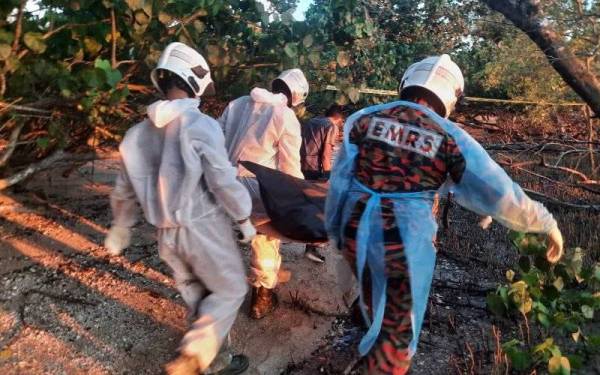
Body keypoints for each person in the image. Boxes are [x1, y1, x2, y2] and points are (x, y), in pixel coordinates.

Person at [325, 54, 564, 375]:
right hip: (403, 243)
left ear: (407, 82)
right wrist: (544, 221)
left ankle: (371, 330)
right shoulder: (450, 136)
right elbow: (497, 191)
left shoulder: (364, 118)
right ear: (451, 95)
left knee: (372, 290)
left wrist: (335, 231)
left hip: (357, 229)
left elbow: (340, 181)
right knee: (398, 331)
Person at [103, 42, 256, 375]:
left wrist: (121, 226)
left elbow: (124, 188)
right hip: (201, 227)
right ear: (195, 79)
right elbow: (221, 179)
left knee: (199, 296)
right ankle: (192, 358)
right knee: (230, 290)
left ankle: (215, 359)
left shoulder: (134, 134)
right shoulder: (199, 125)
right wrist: (243, 216)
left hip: (165, 235)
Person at [219, 69, 309, 319]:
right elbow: (289, 167)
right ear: (297, 96)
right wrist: (300, 199)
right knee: (266, 240)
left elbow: (216, 138)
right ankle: (262, 297)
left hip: (225, 183)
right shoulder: (285, 116)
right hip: (256, 187)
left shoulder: (237, 103)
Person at [300, 104, 344, 263]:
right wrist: (327, 174)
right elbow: (326, 153)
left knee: (307, 206)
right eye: (341, 123)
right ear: (338, 118)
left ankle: (307, 243)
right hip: (318, 172)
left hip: (303, 167)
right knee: (320, 209)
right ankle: (311, 248)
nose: (340, 126)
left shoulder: (312, 121)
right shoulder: (331, 126)